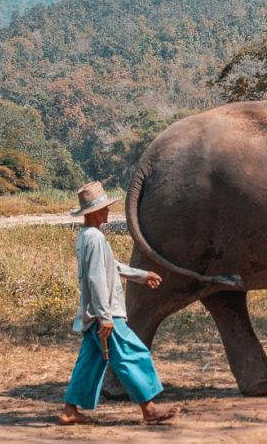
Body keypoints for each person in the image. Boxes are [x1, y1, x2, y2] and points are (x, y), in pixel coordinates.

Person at [59, 181, 179, 425]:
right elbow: (95, 278)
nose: (107, 211)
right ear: (93, 212)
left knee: (89, 362)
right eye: (104, 208)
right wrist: (105, 316)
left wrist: (141, 275)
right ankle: (149, 408)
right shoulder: (95, 238)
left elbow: (110, 267)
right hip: (105, 313)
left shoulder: (86, 236)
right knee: (132, 355)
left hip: (92, 314)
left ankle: (70, 410)